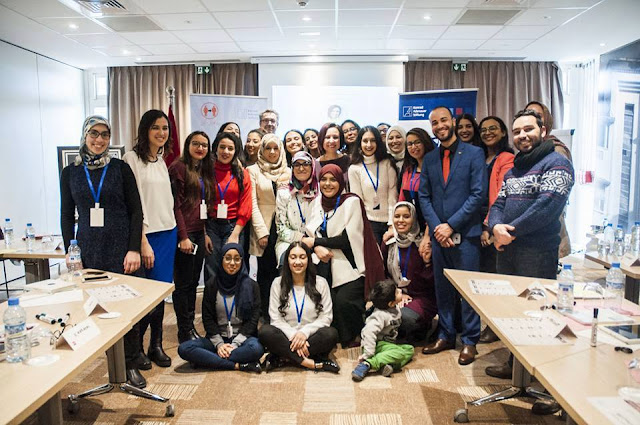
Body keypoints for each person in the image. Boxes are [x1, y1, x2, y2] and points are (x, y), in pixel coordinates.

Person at [485, 109, 574, 415]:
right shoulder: (515, 170)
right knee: (512, 313)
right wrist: (495, 227)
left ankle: (549, 387)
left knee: (540, 317)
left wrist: (511, 231)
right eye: (517, 131)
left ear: (543, 130)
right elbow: (498, 202)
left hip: (536, 253)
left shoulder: (557, 163)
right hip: (508, 251)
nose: (522, 135)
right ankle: (518, 370)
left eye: (528, 129)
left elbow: (547, 206)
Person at [60, 115, 146, 388]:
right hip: (88, 249)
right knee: (95, 306)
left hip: (121, 247)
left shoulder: (120, 168)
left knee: (126, 305)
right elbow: (66, 214)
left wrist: (134, 248)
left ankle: (130, 362)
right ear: (84, 136)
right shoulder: (70, 172)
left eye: (105, 135)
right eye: (94, 134)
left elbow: (136, 211)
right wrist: (69, 250)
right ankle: (106, 359)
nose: (99, 140)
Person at [419, 106, 487, 366]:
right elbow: (424, 196)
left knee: (468, 290)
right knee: (443, 288)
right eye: (434, 123)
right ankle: (446, 334)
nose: (439, 126)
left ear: (453, 122)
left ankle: (470, 341)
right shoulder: (430, 158)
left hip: (466, 234)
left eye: (443, 120)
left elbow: (478, 195)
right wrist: (438, 227)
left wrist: (451, 225)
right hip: (439, 236)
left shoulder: (474, 153)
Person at [303, 164, 385, 346]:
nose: (328, 184)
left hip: (351, 265)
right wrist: (316, 247)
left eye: (333, 179)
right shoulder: (317, 202)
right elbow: (308, 234)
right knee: (323, 304)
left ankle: (354, 336)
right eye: (324, 179)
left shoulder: (351, 202)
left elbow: (347, 239)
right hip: (323, 264)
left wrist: (316, 243)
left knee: (343, 302)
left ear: (341, 182)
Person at [123, 109, 178, 369]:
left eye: (165, 128)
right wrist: (142, 240)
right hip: (147, 235)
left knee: (160, 295)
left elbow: (164, 201)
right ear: (145, 130)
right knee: (144, 297)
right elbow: (135, 204)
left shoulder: (161, 160)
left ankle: (155, 345)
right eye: (156, 127)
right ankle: (135, 351)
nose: (161, 132)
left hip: (168, 232)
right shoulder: (131, 159)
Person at [178, 243, 263, 372]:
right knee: (184, 348)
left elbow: (252, 321)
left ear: (242, 261)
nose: (232, 263)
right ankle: (237, 365)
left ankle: (210, 360)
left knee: (256, 349)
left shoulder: (251, 286)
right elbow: (208, 318)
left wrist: (234, 345)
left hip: (243, 339)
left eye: (237, 258)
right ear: (221, 260)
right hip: (217, 339)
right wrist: (220, 345)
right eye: (228, 258)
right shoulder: (212, 285)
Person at [258, 242, 340, 373]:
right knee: (265, 332)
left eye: (302, 257)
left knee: (331, 334)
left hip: (311, 336)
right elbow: (275, 318)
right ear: (287, 260)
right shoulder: (277, 283)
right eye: (293, 257)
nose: (297, 262)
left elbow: (326, 317)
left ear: (309, 259)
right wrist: (293, 335)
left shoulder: (320, 283)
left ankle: (285, 357)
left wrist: (304, 333)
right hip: (286, 335)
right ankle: (311, 363)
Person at [168, 131, 215, 343]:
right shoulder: (178, 168)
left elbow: (201, 206)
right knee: (183, 284)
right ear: (188, 145)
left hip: (198, 232)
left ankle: (189, 327)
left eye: (204, 145)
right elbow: (175, 206)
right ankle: (184, 330)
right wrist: (183, 237)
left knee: (194, 282)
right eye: (195, 144)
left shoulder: (203, 169)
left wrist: (204, 234)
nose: (200, 148)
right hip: (184, 234)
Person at [476, 116, 515, 344]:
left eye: (493, 129)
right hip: (479, 222)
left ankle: (494, 327)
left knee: (495, 280)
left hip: (492, 225)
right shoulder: (481, 156)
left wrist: (488, 226)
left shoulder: (506, 158)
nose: (488, 132)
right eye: (484, 129)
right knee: (483, 280)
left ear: (502, 132)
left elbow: (501, 195)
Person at [247, 133, 291, 320]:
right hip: (264, 228)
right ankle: (266, 314)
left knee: (284, 271)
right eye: (268, 148)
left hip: (285, 228)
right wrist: (261, 232)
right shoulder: (253, 170)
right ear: (262, 150)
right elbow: (253, 203)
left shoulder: (288, 171)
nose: (272, 152)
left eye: (275, 148)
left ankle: (284, 312)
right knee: (265, 274)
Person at [381, 202, 437, 344]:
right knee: (373, 316)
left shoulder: (423, 245)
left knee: (404, 319)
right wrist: (396, 292)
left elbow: (432, 282)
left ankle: (421, 327)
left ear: (414, 219)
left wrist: (427, 263)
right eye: (397, 216)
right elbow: (384, 273)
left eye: (406, 216)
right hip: (396, 294)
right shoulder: (389, 242)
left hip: (421, 297)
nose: (400, 221)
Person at [525, 100, 573, 259]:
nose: (532, 118)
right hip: (529, 237)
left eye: (537, 115)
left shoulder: (556, 150)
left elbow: (551, 200)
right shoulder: (526, 153)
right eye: (528, 114)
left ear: (546, 122)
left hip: (550, 237)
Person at [204, 132, 252, 281]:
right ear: (215, 149)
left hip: (233, 227)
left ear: (235, 151)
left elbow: (246, 205)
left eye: (230, 148)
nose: (225, 152)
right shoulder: (206, 172)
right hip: (211, 226)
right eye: (222, 147)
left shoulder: (242, 174)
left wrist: (235, 234)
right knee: (211, 269)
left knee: (234, 268)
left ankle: (234, 304)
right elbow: (200, 203)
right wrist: (204, 233)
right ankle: (212, 303)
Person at [351, 280, 415, 381]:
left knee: (410, 349)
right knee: (400, 354)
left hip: (388, 345)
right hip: (375, 345)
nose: (399, 290)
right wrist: (368, 354)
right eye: (397, 292)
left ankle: (386, 365)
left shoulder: (394, 307)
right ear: (390, 303)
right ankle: (368, 363)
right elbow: (368, 332)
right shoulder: (380, 315)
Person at [348, 126, 397, 244]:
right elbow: (357, 201)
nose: (369, 145)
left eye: (373, 140)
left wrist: (392, 224)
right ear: (359, 143)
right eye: (365, 141)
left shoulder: (387, 163)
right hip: (369, 223)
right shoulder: (354, 168)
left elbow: (393, 196)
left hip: (390, 223)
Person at [275, 151, 320, 265]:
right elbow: (281, 228)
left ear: (312, 166)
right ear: (292, 168)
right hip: (288, 242)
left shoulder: (320, 191)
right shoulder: (284, 192)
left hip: (315, 241)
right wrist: (301, 239)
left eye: (305, 164)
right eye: (297, 165)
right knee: (288, 261)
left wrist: (315, 242)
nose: (301, 168)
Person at [398, 127, 435, 234]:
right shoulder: (408, 170)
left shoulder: (435, 170)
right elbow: (402, 198)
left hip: (431, 225)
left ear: (425, 143)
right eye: (409, 144)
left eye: (417, 142)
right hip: (411, 226)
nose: (413, 147)